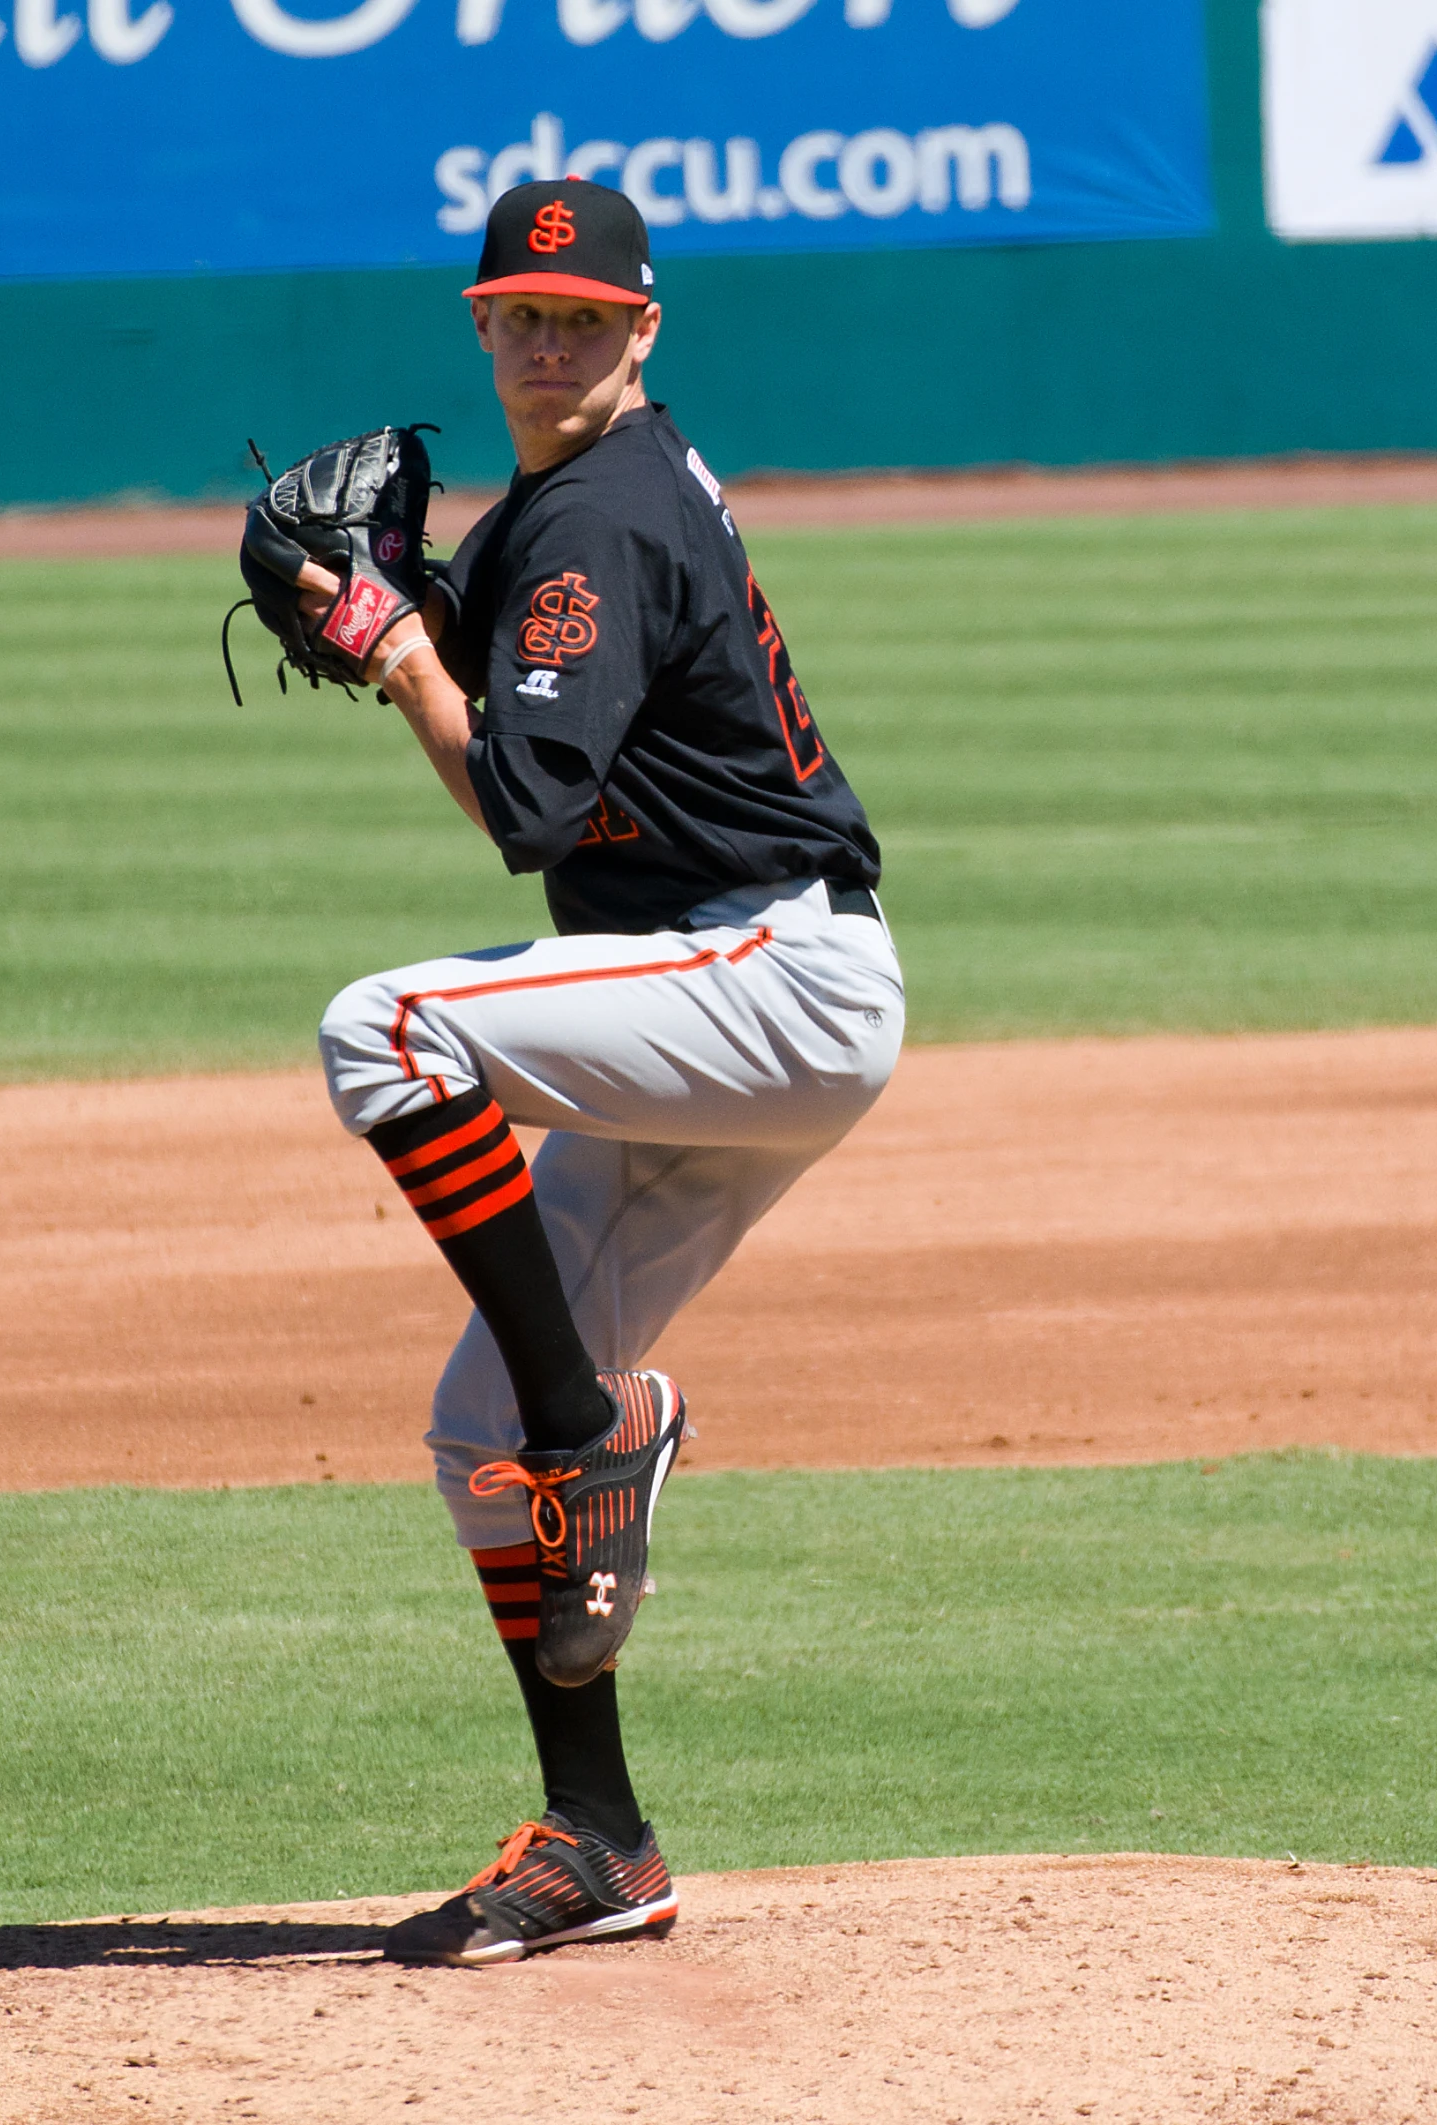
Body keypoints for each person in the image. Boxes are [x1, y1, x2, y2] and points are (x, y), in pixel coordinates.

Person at [296, 178, 905, 1966]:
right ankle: (602, 1838)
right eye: (520, 314)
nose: (550, 341)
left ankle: (595, 1430)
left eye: (584, 317)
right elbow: (491, 670)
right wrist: (374, 596)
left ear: (646, 329)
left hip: (767, 972)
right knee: (475, 1434)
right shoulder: (561, 508)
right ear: (481, 328)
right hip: (722, 1011)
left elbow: (527, 805)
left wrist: (395, 646)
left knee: (383, 1029)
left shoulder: (598, 520)